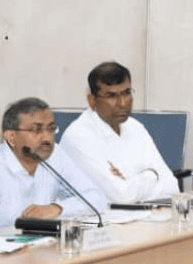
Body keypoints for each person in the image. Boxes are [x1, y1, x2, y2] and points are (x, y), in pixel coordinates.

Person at [0, 97, 107, 232]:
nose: (47, 138)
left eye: (50, 129)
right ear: (11, 136)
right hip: (0, 249)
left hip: (43, 247)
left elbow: (96, 198)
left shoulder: (55, 155)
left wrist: (57, 208)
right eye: (36, 130)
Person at [61, 61, 178, 204]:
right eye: (111, 96)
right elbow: (121, 197)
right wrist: (152, 174)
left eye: (126, 93)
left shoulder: (135, 127)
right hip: (98, 218)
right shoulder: (78, 136)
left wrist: (129, 183)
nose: (122, 103)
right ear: (92, 100)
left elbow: (172, 187)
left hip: (147, 214)